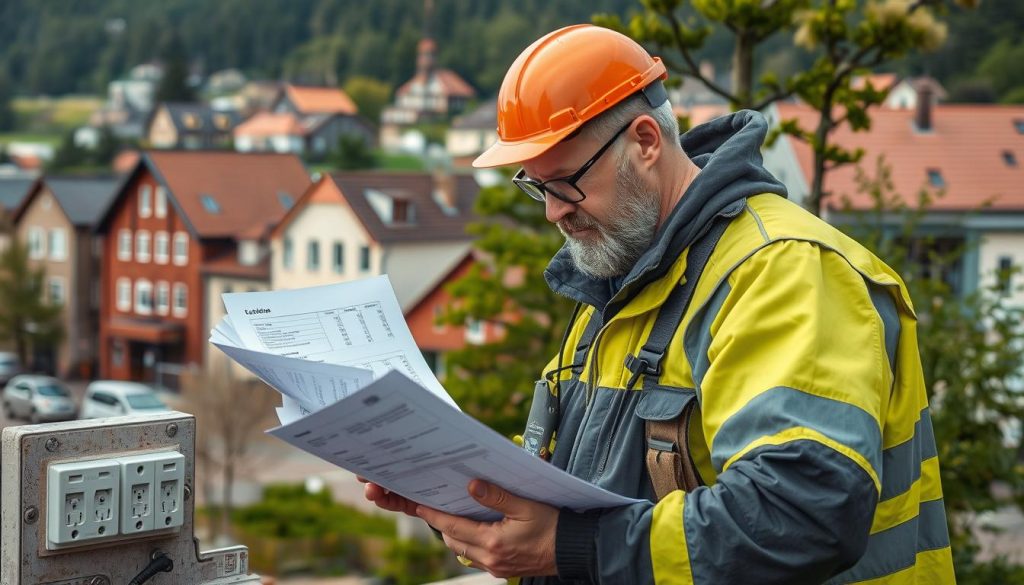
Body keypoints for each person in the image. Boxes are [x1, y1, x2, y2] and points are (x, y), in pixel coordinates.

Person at [364, 24, 955, 584]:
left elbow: (801, 513)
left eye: (566, 182)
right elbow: (589, 487)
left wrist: (570, 547)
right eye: (536, 186)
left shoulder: (783, 270)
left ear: (645, 141)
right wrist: (460, 491)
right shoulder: (619, 284)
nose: (553, 211)